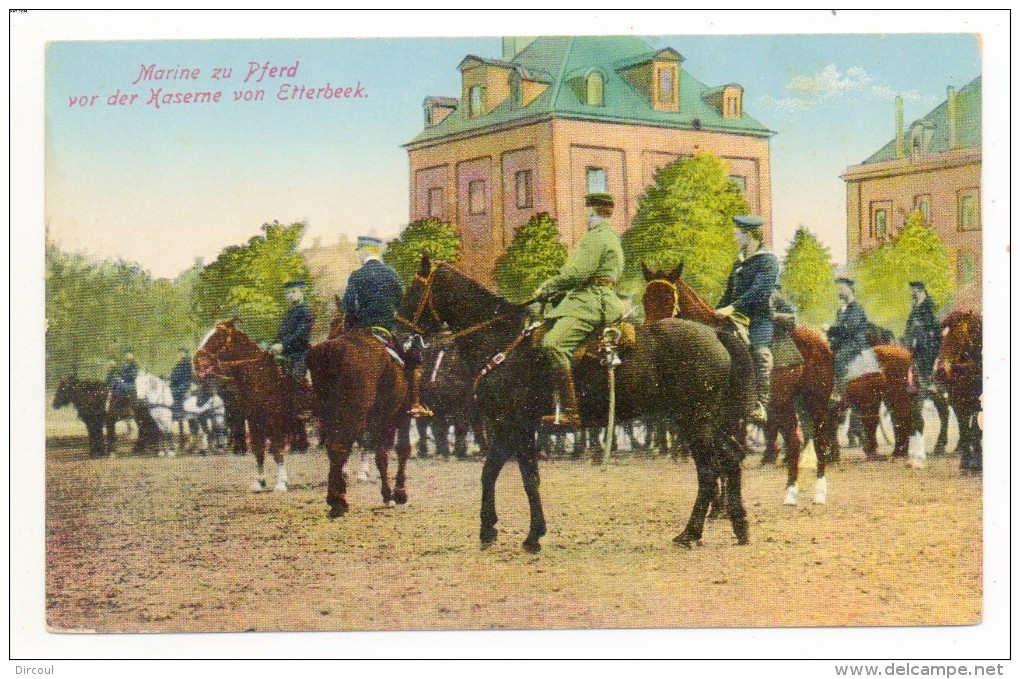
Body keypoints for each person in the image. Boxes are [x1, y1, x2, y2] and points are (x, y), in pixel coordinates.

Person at [535, 192, 624, 429]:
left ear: (593, 212)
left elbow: (577, 274)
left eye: (587, 211)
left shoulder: (595, 238)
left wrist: (546, 287)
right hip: (595, 297)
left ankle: (571, 413)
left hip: (591, 302)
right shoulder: (611, 236)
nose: (585, 215)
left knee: (553, 344)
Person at [343, 235, 431, 418]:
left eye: (360, 253)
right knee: (413, 362)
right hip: (389, 330)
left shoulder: (357, 275)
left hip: (363, 331)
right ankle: (415, 402)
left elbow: (348, 306)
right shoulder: (393, 274)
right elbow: (403, 304)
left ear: (364, 252)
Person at [717, 215, 780, 423]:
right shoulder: (739, 262)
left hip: (758, 319)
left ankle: (761, 403)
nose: (735, 237)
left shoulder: (767, 260)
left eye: (737, 234)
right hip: (735, 317)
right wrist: (715, 311)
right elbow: (728, 293)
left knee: (760, 353)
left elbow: (759, 291)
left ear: (750, 235)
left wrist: (732, 307)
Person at [827, 277, 877, 403]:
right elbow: (839, 332)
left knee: (839, 358)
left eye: (842, 288)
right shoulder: (841, 310)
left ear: (850, 289)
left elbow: (848, 329)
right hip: (844, 344)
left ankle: (841, 393)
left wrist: (830, 329)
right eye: (838, 288)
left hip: (856, 344)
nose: (839, 291)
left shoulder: (857, 308)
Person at [270, 280, 314, 381]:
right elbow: (281, 333)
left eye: (293, 292)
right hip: (285, 355)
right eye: (287, 293)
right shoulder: (288, 314)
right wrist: (273, 345)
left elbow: (300, 334)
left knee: (294, 382)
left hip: (299, 355)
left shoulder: (306, 311)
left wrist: (283, 345)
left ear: (302, 292)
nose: (290, 295)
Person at [903, 280, 941, 391]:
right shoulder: (916, 303)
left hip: (930, 337)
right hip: (918, 338)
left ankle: (928, 381)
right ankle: (915, 382)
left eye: (914, 289)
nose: (912, 292)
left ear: (920, 290)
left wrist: (918, 326)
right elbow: (910, 321)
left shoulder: (929, 303)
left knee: (925, 355)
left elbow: (932, 322)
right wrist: (907, 333)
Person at [770, 284, 803, 369]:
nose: (772, 295)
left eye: (774, 292)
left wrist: (777, 316)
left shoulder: (784, 306)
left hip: (780, 339)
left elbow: (792, 323)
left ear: (779, 293)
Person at [169, 347, 192, 421]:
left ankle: (178, 412)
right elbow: (175, 372)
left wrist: (173, 376)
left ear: (185, 353)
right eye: (179, 353)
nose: (180, 354)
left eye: (181, 353)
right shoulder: (180, 362)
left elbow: (183, 374)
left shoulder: (186, 362)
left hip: (184, 383)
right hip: (179, 382)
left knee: (176, 392)